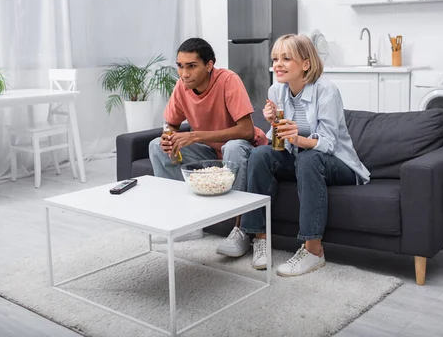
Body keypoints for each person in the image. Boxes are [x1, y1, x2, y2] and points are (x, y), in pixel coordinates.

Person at [240, 34, 370, 277]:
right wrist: (273, 123)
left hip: (337, 163)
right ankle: (260, 239)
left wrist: (297, 138)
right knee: (260, 155)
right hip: (299, 157)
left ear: (306, 63)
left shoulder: (327, 91)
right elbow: (279, 141)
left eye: (286, 58)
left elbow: (329, 144)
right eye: (275, 58)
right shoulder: (277, 89)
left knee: (308, 157)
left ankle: (313, 251)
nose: (278, 64)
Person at [149, 37, 267, 252]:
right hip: (210, 152)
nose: (185, 73)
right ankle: (184, 224)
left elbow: (246, 130)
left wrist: (195, 136)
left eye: (192, 66)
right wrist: (169, 138)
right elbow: (171, 124)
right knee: (156, 146)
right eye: (180, 66)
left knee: (231, 147)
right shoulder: (182, 86)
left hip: (244, 150)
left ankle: (241, 232)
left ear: (209, 65)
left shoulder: (228, 80)